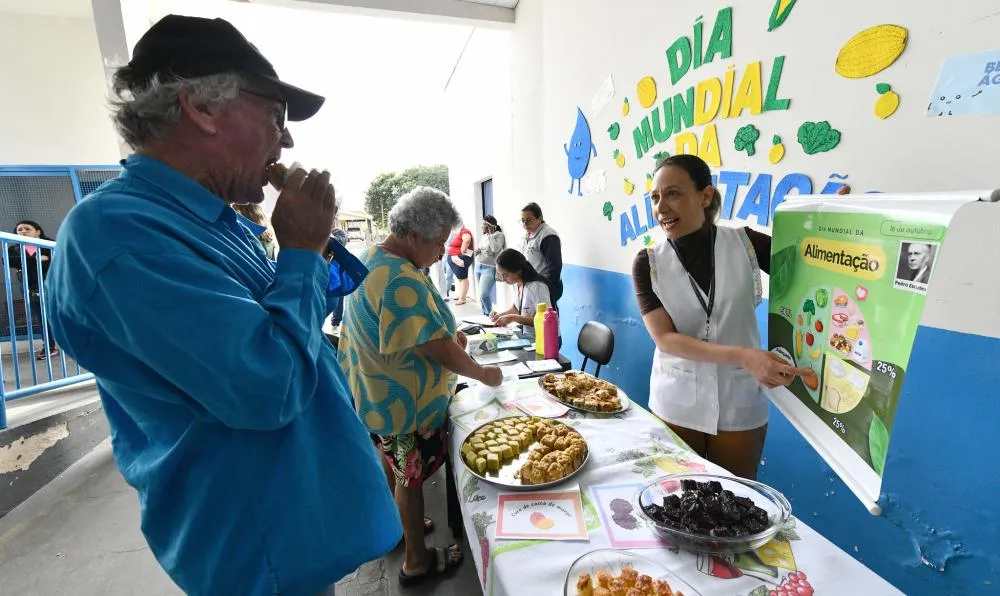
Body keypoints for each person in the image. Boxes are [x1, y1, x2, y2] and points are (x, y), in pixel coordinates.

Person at [43, 15, 400, 596]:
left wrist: (310, 250)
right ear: (202, 108)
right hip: (258, 552)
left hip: (297, 532)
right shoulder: (118, 237)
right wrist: (303, 252)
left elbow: (290, 330)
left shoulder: (215, 219)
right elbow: (269, 385)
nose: (286, 141)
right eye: (275, 116)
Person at [337, 186, 503, 587]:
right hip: (400, 405)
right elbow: (437, 348)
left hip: (374, 396)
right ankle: (416, 559)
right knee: (410, 480)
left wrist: (448, 331)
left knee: (394, 468)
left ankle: (398, 528)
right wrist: (482, 373)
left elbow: (421, 329)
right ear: (413, 235)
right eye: (438, 242)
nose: (443, 252)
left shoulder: (375, 258)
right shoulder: (399, 279)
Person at [632, 154, 809, 481]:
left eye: (672, 193)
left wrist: (836, 223)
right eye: (655, 198)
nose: (661, 207)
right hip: (676, 402)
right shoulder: (648, 263)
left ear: (705, 195)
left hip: (738, 402)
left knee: (735, 501)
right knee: (675, 503)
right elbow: (666, 339)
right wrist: (744, 355)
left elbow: (810, 263)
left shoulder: (746, 244)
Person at [7, 220, 59, 359]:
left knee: (60, 314)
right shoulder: (13, 248)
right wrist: (36, 259)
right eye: (19, 229)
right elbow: (8, 261)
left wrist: (29, 260)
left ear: (38, 231)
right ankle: (49, 347)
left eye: (27, 228)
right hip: (30, 288)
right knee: (42, 318)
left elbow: (55, 261)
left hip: (53, 286)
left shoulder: (49, 244)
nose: (22, 231)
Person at [490, 248, 551, 340]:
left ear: (518, 270)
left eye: (505, 275)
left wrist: (513, 318)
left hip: (546, 338)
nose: (503, 279)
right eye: (500, 275)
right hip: (530, 335)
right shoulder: (516, 283)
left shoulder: (537, 287)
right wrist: (500, 316)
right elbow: (516, 308)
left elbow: (545, 319)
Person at [519, 202, 563, 309]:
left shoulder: (548, 236)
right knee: (531, 317)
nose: (525, 224)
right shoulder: (529, 235)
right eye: (523, 221)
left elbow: (554, 268)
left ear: (540, 218)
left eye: (529, 220)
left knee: (545, 319)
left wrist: (546, 289)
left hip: (545, 286)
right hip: (532, 285)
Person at [474, 215, 506, 315]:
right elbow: (482, 248)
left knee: (484, 294)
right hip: (478, 266)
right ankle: (484, 315)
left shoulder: (499, 235)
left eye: (484, 224)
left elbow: (495, 249)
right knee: (480, 295)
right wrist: (478, 251)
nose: (482, 226)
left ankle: (489, 316)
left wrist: (491, 234)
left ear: (489, 225)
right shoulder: (484, 236)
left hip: (489, 268)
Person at [446, 223, 474, 305]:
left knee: (463, 278)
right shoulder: (460, 232)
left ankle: (462, 299)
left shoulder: (465, 231)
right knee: (461, 278)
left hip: (459, 258)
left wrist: (462, 251)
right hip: (456, 258)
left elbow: (467, 240)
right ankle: (461, 296)